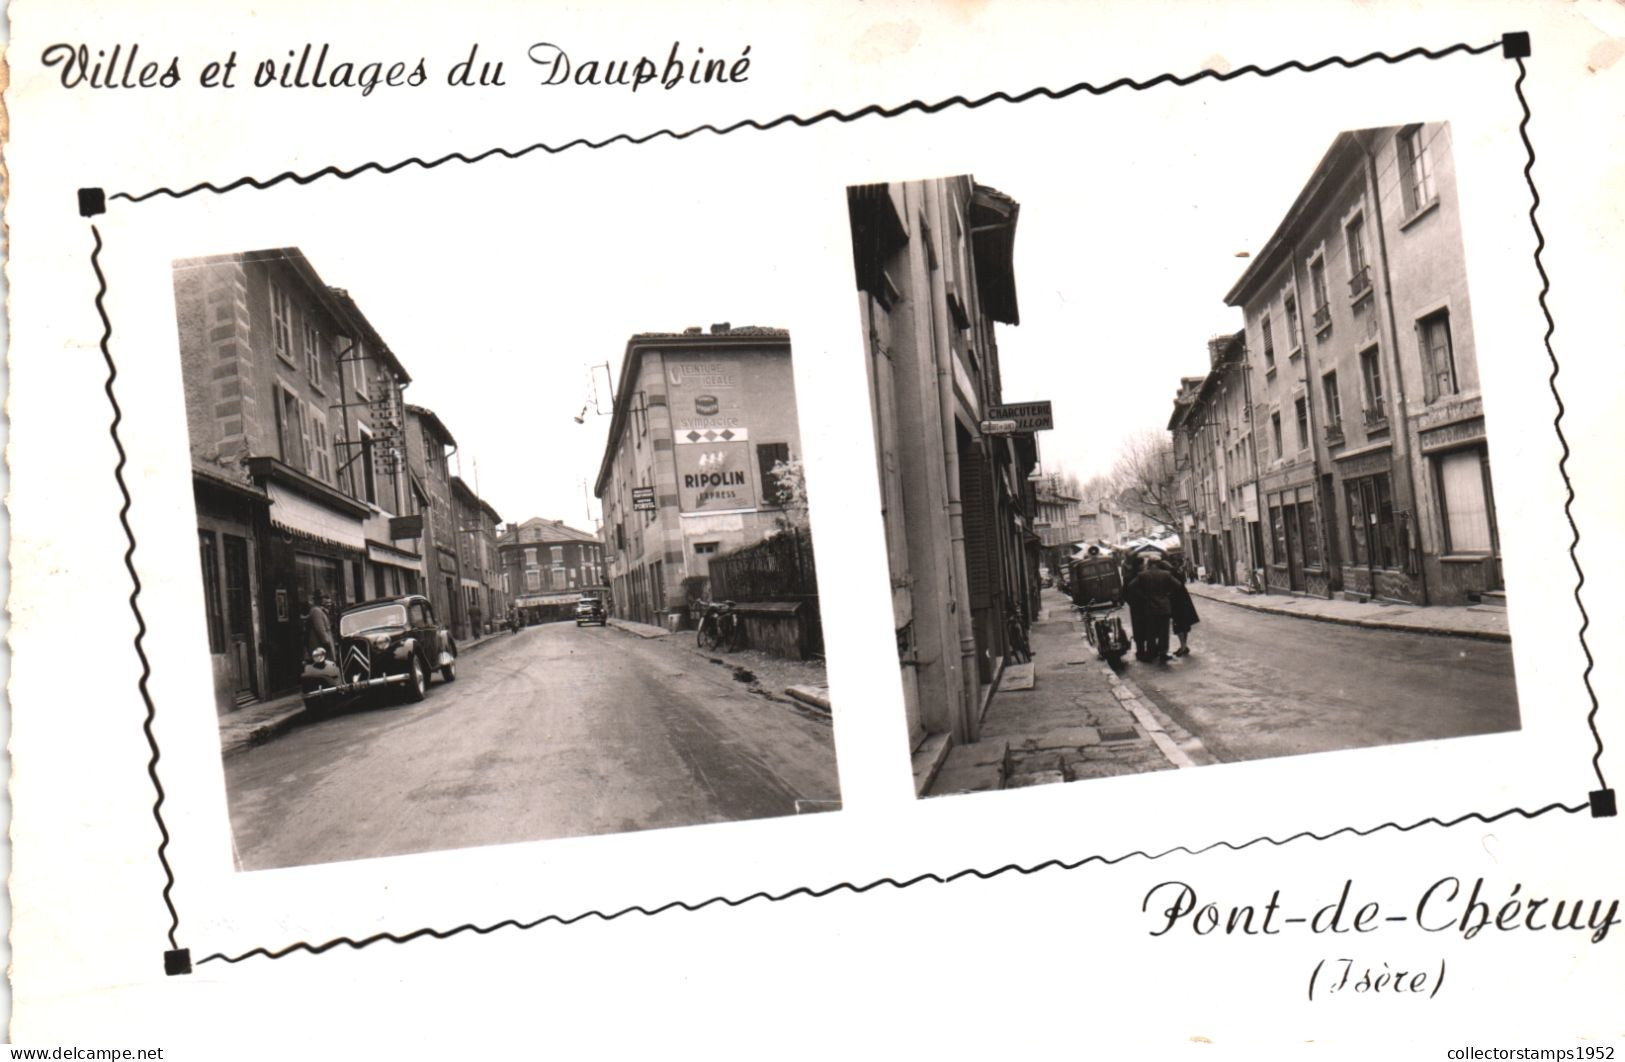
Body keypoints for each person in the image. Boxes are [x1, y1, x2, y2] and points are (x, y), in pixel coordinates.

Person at [1126, 558, 1180, 663]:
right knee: (1164, 632)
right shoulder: (1166, 574)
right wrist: (1167, 594)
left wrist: (1143, 596)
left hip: (1150, 607)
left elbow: (1131, 586)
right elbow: (1178, 585)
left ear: (1149, 564)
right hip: (1164, 607)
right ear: (1158, 564)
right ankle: (1163, 653)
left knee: (1151, 631)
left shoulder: (1142, 575)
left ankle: (1150, 653)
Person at [1166, 559, 1201, 656]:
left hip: (1176, 602)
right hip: (1184, 602)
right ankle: (1184, 646)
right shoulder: (1179, 573)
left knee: (1178, 625)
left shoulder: (1171, 575)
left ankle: (1183, 647)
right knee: (1184, 624)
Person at [304, 592, 335, 662]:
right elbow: (320, 629)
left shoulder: (319, 610)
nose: (321, 600)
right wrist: (326, 642)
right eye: (319, 598)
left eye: (322, 598)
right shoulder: (316, 611)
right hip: (320, 645)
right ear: (316, 600)